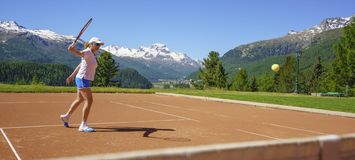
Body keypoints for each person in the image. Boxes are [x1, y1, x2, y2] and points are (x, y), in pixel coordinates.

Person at [60, 37, 104, 132]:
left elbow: (81, 65)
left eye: (99, 45)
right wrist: (72, 50)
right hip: (83, 79)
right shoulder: (87, 51)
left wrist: (72, 75)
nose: (98, 46)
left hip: (82, 78)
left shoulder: (92, 54)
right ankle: (83, 125)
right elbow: (79, 54)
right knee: (89, 100)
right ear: (91, 44)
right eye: (97, 44)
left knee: (80, 99)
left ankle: (66, 116)